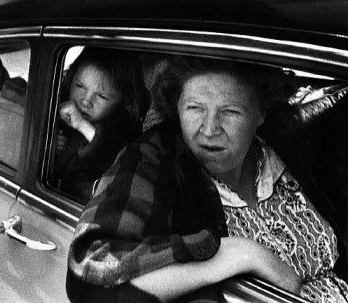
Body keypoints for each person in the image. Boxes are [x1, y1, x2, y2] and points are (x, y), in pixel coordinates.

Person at [66, 55, 348, 302]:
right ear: (176, 107)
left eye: (230, 111)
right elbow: (90, 271)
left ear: (261, 113)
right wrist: (237, 254)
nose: (210, 129)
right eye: (195, 108)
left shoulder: (286, 146)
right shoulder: (152, 159)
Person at [54, 47, 150, 200]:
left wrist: (81, 125)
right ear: (70, 79)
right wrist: (48, 142)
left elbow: (108, 154)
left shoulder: (119, 131)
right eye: (79, 86)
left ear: (124, 102)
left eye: (101, 96)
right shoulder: (56, 106)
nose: (86, 101)